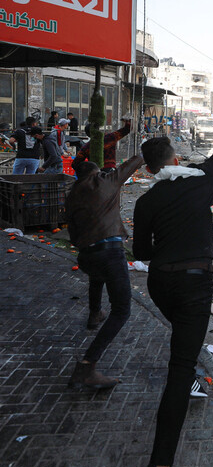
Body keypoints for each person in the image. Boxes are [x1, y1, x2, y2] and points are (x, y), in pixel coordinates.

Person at [133, 119, 213, 467]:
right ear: (176, 158)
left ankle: (191, 372)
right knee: (179, 366)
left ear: (150, 169)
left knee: (184, 342)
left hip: (160, 284)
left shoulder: (146, 201)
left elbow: (141, 252)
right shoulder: (200, 179)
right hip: (194, 283)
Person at [66, 144, 144, 389]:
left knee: (96, 275)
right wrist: (146, 153)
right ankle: (87, 366)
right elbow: (130, 165)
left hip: (87, 256)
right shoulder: (105, 183)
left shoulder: (72, 194)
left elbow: (73, 234)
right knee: (122, 311)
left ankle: (94, 313)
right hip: (110, 252)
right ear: (96, 173)